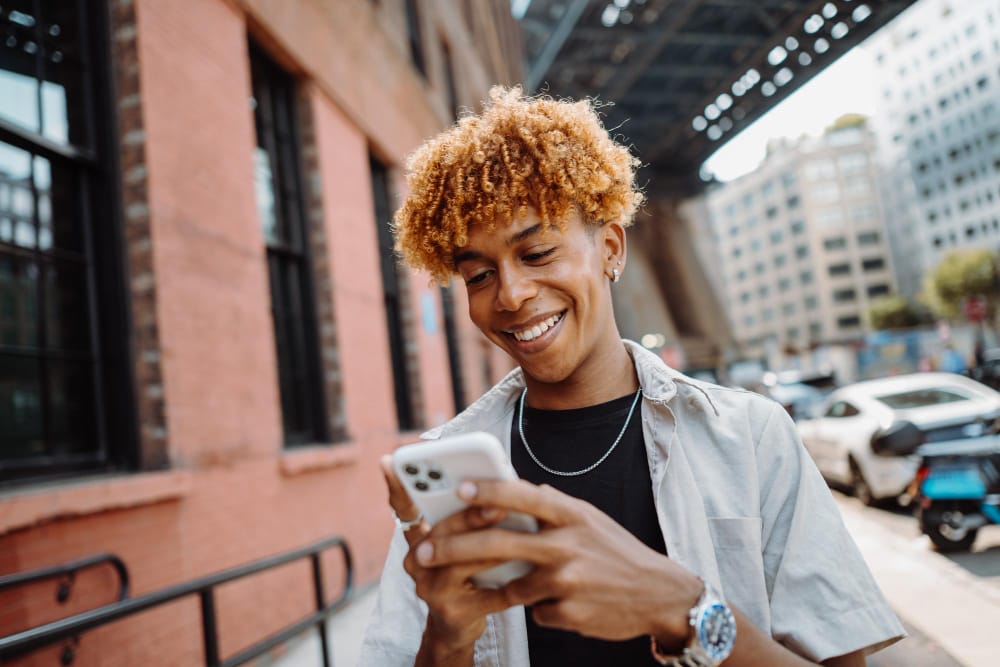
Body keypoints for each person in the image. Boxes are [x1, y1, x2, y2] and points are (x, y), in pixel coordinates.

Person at [360, 87, 904, 666]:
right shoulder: (450, 475)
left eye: (538, 253)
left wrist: (684, 609)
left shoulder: (751, 436)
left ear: (611, 249)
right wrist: (447, 633)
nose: (512, 294)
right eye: (478, 276)